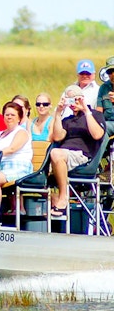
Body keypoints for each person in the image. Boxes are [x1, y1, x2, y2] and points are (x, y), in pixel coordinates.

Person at [50, 85, 106, 215]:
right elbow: (58, 137)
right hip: (64, 155)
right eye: (70, 100)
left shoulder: (95, 115)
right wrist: (58, 113)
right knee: (49, 159)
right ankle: (52, 200)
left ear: (82, 99)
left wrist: (86, 111)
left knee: (56, 153)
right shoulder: (67, 120)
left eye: (76, 99)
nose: (73, 103)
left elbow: (97, 135)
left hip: (82, 156)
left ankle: (63, 197)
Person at [0, 102, 33, 227]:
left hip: (18, 167)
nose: (9, 117)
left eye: (12, 115)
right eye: (7, 115)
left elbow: (12, 149)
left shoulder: (21, 133)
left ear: (19, 118)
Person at [96, 56, 114, 135]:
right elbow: (99, 111)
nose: (113, 74)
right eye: (110, 71)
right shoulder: (103, 88)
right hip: (107, 123)